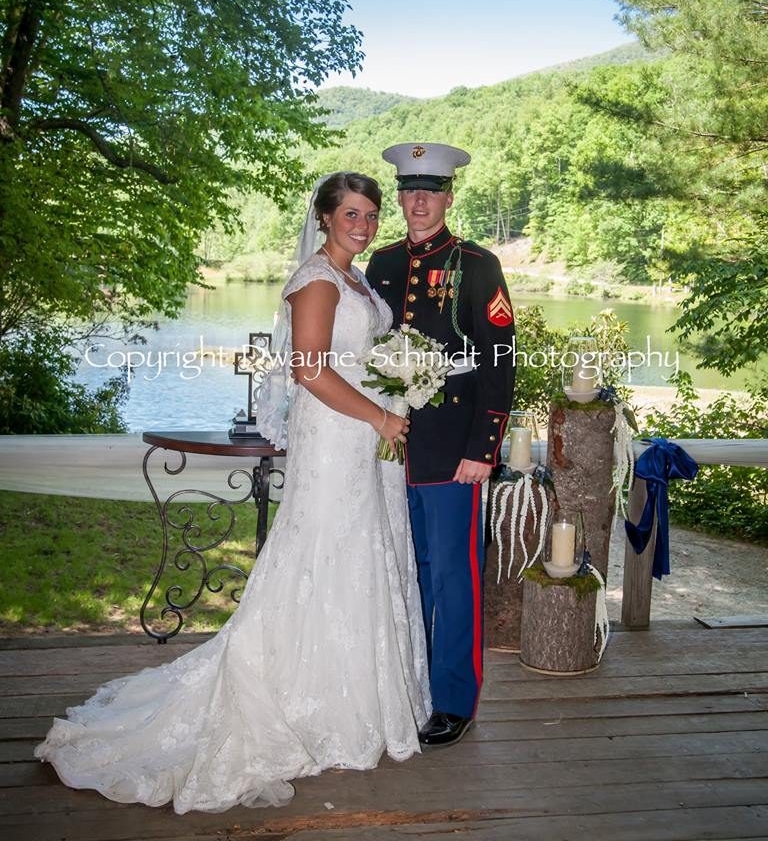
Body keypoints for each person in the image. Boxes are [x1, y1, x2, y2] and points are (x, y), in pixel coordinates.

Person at [34, 172, 431, 814]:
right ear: (325, 217)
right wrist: (382, 416)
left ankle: (353, 696)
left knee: (361, 556)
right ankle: (304, 700)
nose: (363, 224)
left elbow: (357, 357)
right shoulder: (318, 280)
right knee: (326, 555)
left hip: (363, 440)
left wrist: (399, 389)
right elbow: (308, 371)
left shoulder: (356, 279)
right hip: (337, 438)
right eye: (351, 213)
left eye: (371, 214)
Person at [366, 143, 516, 747]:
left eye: (431, 190)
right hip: (387, 447)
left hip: (453, 445)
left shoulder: (477, 264)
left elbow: (499, 362)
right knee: (409, 569)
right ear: (399, 197)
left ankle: (454, 698)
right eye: (409, 190)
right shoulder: (378, 263)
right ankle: (410, 682)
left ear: (450, 197)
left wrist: (484, 446)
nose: (419, 201)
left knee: (454, 576)